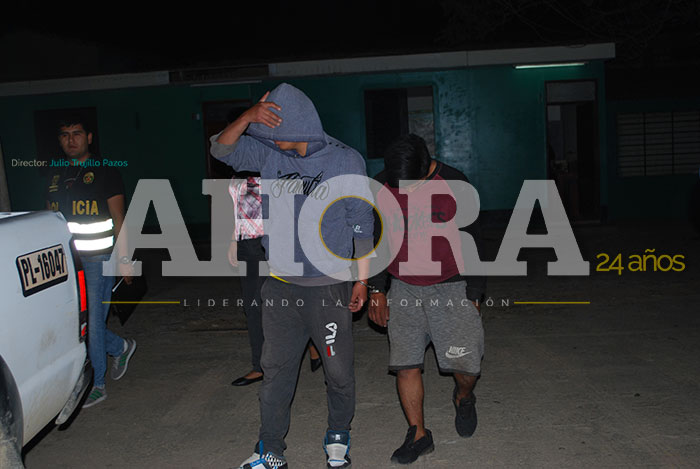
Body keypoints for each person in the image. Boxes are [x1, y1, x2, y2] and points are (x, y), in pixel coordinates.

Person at [210, 83, 374, 469]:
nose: (268, 139)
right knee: (276, 371)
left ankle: (338, 436)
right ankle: (270, 449)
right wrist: (248, 116)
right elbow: (221, 149)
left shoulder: (345, 160)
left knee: (337, 371)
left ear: (298, 128)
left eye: (273, 132)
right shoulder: (269, 151)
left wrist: (363, 280)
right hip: (281, 285)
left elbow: (362, 225)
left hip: (328, 286)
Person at [368, 134, 486, 465]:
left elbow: (474, 241)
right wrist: (377, 289)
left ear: (426, 165)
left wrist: (474, 292)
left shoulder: (455, 183)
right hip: (404, 287)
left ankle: (463, 397)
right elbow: (378, 239)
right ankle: (419, 434)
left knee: (465, 367)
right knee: (405, 364)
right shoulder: (383, 184)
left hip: (451, 285)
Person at [46, 115, 137, 408]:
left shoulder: (105, 172)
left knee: (94, 322)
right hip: (68, 263)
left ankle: (97, 384)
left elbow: (119, 218)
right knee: (79, 323)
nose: (70, 139)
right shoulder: (56, 175)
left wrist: (125, 259)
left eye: (76, 133)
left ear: (88, 138)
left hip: (100, 258)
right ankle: (120, 347)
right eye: (64, 134)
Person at [228, 176, 324, 386]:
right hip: (247, 243)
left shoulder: (272, 165)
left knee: (290, 300)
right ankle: (260, 366)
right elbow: (240, 207)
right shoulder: (238, 172)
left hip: (276, 241)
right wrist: (234, 239)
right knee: (253, 306)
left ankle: (310, 341)